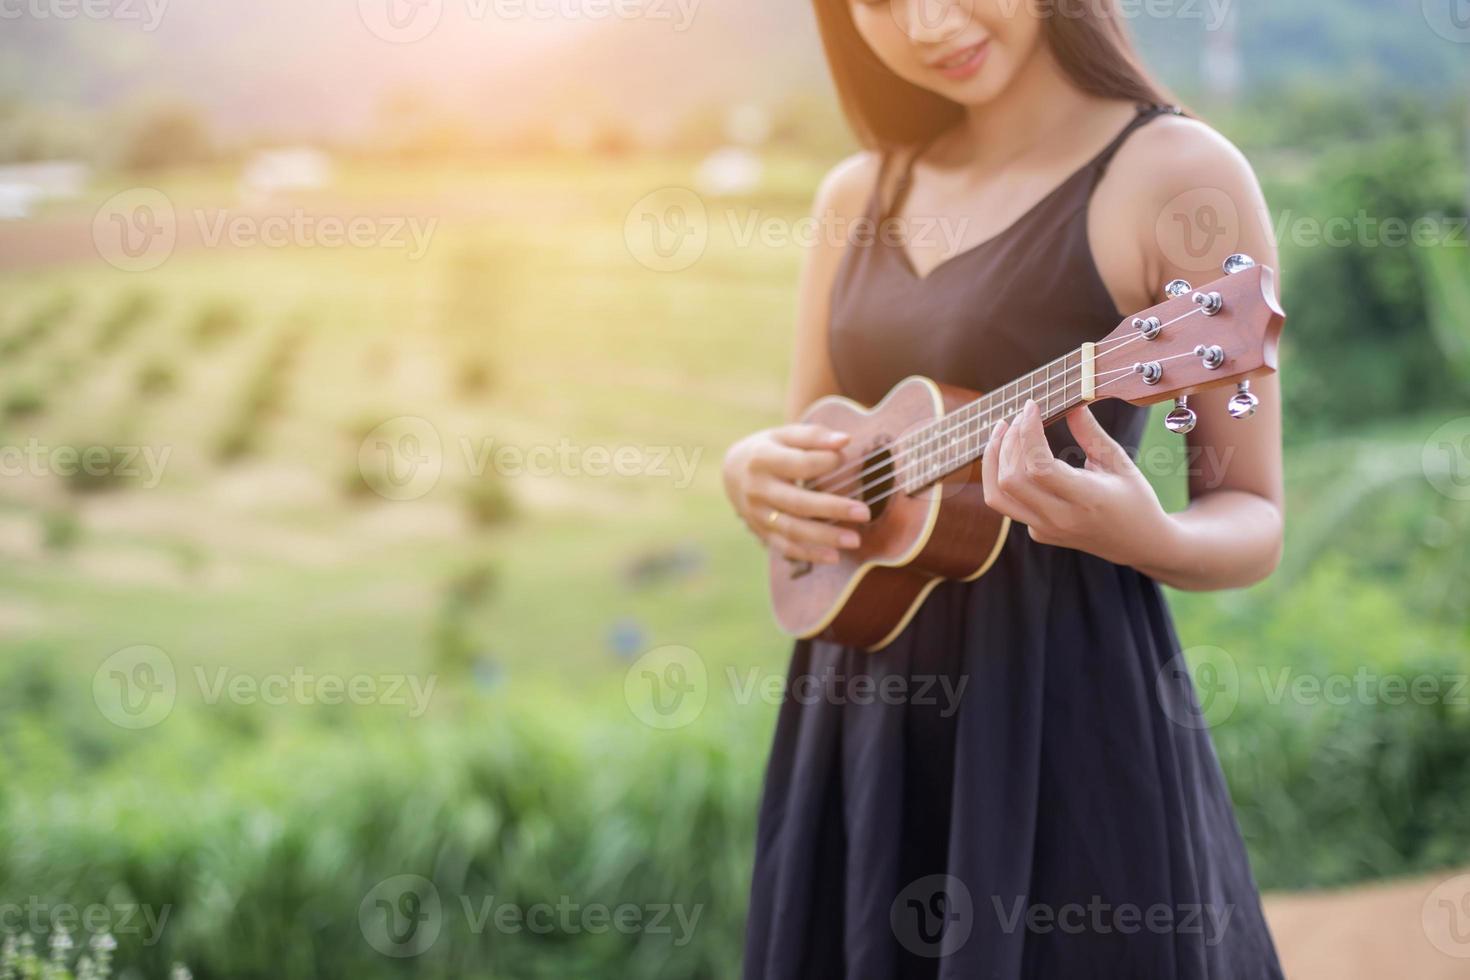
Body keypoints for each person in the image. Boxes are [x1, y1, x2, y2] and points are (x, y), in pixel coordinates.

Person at [721, 1, 1286, 976]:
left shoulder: (1177, 177)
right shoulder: (859, 192)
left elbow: (1255, 516)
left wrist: (1147, 536)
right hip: (855, 708)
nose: (930, 22)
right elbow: (814, 433)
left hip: (1061, 704)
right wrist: (750, 471)